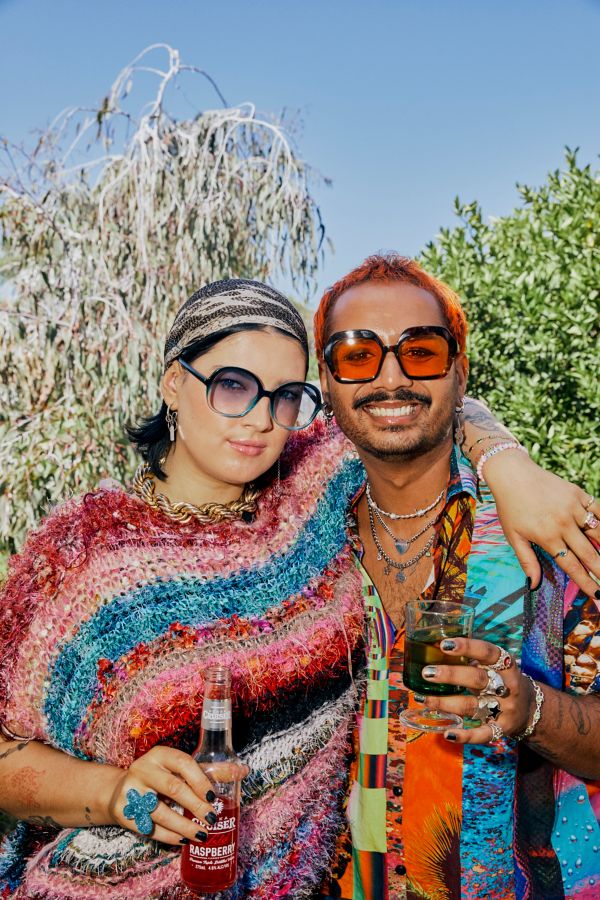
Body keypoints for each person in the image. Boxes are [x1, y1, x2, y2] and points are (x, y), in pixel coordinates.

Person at [0, 278, 596, 899]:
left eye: (286, 396)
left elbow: (422, 400)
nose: (261, 418)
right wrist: (109, 792)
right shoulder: (76, 554)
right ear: (174, 382)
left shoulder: (309, 493)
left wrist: (509, 465)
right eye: (233, 385)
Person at [312, 255, 600, 900]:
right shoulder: (294, 539)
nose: (391, 377)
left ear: (459, 373)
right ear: (326, 383)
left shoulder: (554, 539)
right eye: (357, 356)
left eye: (420, 351)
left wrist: (532, 711)